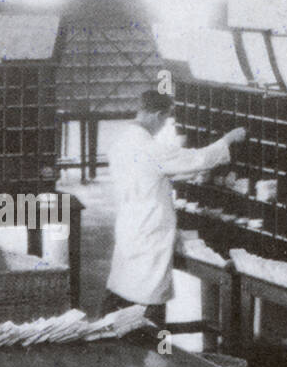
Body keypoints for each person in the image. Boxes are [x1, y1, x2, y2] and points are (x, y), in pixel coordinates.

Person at [103, 90, 245, 324]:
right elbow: (196, 159)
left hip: (130, 223)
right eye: (166, 118)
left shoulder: (121, 142)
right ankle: (150, 349)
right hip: (151, 228)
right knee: (147, 299)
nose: (164, 125)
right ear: (158, 115)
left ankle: (110, 336)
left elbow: (151, 173)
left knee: (122, 288)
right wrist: (227, 140)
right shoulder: (149, 147)